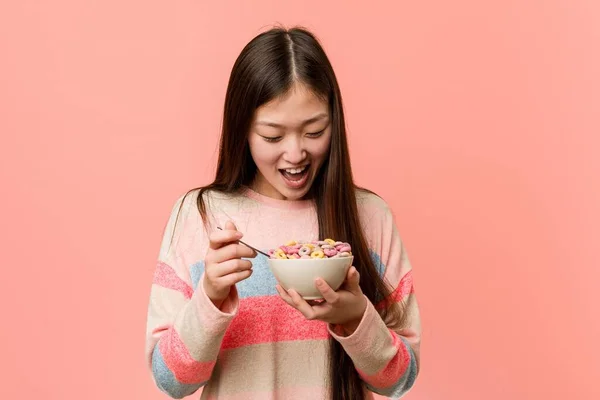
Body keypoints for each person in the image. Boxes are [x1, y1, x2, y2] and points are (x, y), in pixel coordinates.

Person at [145, 26, 422, 400]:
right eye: (273, 137)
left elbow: (399, 381)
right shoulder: (201, 216)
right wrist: (210, 297)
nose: (295, 154)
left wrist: (355, 318)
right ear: (242, 131)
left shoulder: (369, 217)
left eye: (314, 131)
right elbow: (171, 381)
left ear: (333, 123)